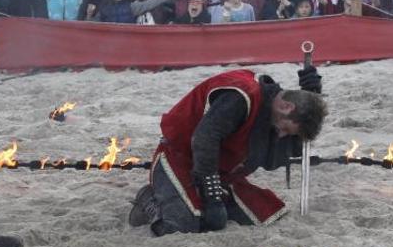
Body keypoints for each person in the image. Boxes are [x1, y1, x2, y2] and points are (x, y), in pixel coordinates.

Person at [128, 68, 326, 235]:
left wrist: (312, 96)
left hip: (220, 171)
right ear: (286, 106)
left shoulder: (272, 111)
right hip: (179, 157)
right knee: (182, 226)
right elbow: (204, 139)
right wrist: (212, 197)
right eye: (285, 129)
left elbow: (273, 156)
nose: (281, 135)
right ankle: (150, 198)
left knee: (262, 214)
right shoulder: (242, 96)